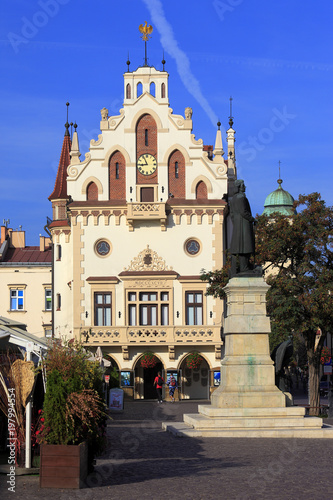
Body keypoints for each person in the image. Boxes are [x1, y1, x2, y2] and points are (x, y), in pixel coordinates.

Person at [229, 179, 256, 276]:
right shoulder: (241, 198)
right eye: (243, 185)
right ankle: (244, 268)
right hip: (244, 225)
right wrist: (253, 219)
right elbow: (244, 212)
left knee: (241, 248)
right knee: (245, 247)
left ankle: (244, 266)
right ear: (240, 187)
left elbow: (232, 215)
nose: (244, 187)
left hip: (238, 225)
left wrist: (236, 223)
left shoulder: (232, 200)